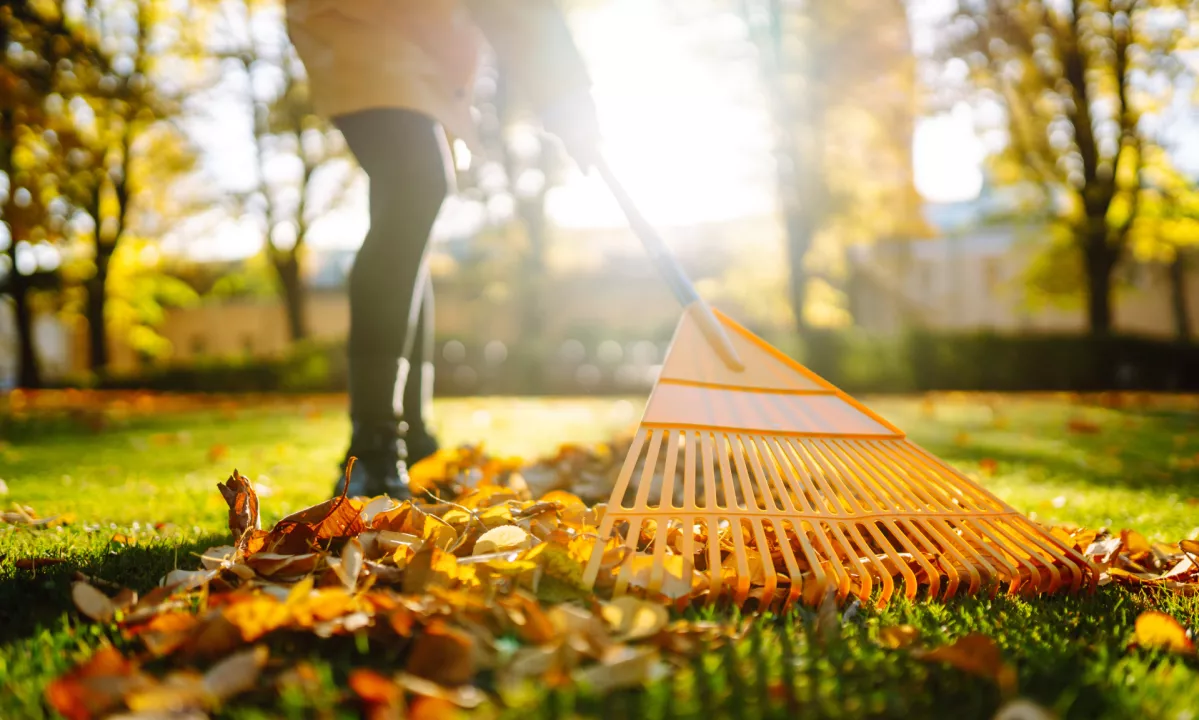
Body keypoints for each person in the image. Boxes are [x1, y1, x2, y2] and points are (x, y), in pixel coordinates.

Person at [284, 0, 600, 499]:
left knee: (409, 210)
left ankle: (416, 439)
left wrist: (568, 97)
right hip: (357, 18)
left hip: (424, 42)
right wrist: (566, 95)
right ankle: (373, 447)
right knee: (416, 185)